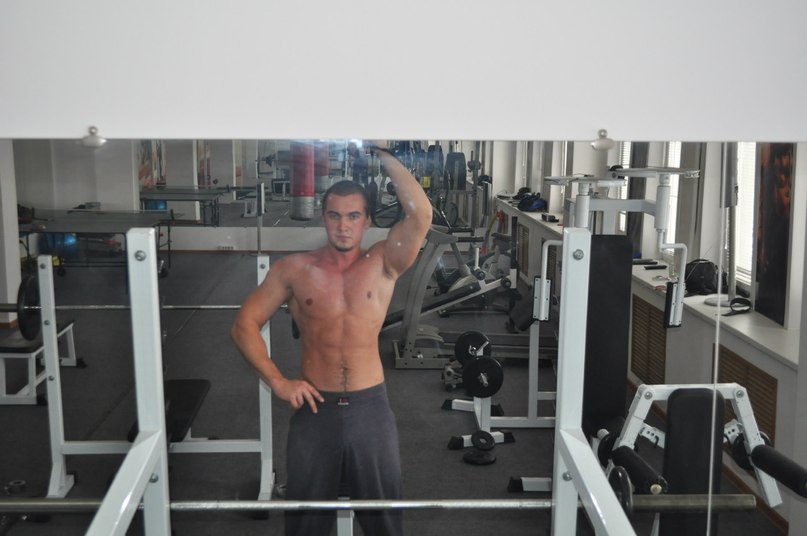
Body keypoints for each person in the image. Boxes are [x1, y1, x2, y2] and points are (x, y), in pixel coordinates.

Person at [231, 141, 432, 536]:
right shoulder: (294, 270)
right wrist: (278, 381)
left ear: (367, 220)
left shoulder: (384, 262)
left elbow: (421, 214)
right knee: (305, 521)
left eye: (353, 216)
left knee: (385, 520)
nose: (343, 226)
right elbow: (244, 325)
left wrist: (383, 152)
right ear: (323, 217)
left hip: (370, 407)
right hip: (314, 409)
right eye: (335, 215)